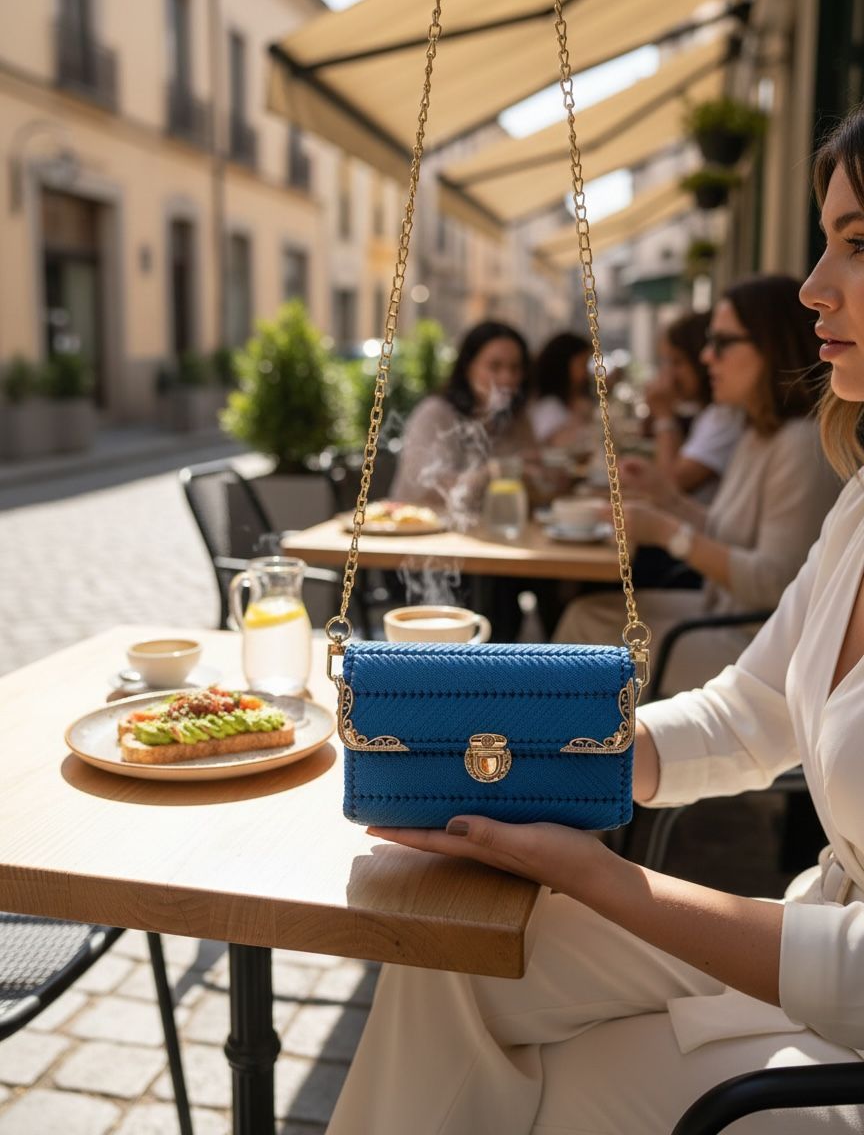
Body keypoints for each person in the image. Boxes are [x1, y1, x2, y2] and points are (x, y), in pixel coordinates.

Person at [325, 103, 864, 1135]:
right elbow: (746, 714)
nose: (812, 285)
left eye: (858, 243)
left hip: (838, 1015)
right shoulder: (860, 504)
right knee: (451, 948)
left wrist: (604, 876)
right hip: (808, 933)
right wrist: (527, 758)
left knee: (558, 1089)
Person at [553, 272, 841, 694]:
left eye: (722, 343)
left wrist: (668, 532)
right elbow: (730, 535)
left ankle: (582, 752)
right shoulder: (762, 432)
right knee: (584, 613)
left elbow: (773, 583)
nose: (707, 357)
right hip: (721, 614)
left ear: (772, 346)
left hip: (757, 649)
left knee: (583, 642)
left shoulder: (799, 445)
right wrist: (664, 497)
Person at [389, 320, 536, 526]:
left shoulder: (515, 418)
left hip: (489, 533)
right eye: (495, 366)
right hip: (420, 535)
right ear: (468, 367)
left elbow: (534, 476)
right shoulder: (436, 414)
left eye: (515, 368)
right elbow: (425, 489)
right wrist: (494, 472)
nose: (507, 378)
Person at [645, 309, 744, 502]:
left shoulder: (726, 416)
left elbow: (670, 485)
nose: (670, 375)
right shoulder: (709, 413)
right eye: (666, 362)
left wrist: (664, 415)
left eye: (678, 362)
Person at [527, 331, 593, 448]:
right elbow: (562, 447)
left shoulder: (572, 401)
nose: (586, 373)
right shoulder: (548, 406)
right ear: (563, 365)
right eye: (582, 364)